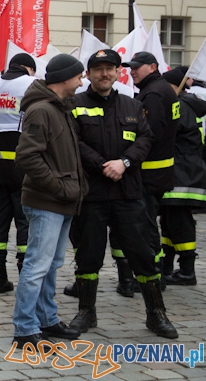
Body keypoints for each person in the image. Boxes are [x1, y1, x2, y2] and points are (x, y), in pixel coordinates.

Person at [67, 49, 177, 339]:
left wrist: (125, 162)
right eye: (99, 69)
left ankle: (157, 314)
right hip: (91, 193)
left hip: (127, 193)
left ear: (118, 73)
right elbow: (73, 142)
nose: (105, 74)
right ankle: (86, 312)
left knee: (142, 253)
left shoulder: (132, 104)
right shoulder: (74, 105)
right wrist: (102, 164)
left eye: (110, 69)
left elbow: (146, 138)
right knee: (88, 255)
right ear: (88, 74)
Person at [12, 54, 86, 348]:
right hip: (48, 200)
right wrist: (58, 186)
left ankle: (47, 318)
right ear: (65, 78)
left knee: (51, 264)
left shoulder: (61, 108)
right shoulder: (42, 110)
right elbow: (27, 156)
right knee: (37, 265)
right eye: (79, 76)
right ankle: (25, 326)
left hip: (61, 198)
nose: (82, 81)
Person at [0, 53, 36, 293]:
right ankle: (25, 277)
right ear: (28, 69)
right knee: (24, 220)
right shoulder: (31, 84)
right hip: (21, 159)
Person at [120, 52, 179, 291]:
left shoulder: (153, 94)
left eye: (137, 67)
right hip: (160, 169)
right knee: (148, 222)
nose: (132, 71)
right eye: (130, 67)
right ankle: (156, 271)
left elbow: (149, 133)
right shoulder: (161, 88)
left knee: (146, 225)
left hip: (150, 172)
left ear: (153, 67)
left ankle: (154, 274)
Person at [160, 67, 206, 286]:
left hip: (183, 173)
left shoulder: (181, 106)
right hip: (185, 171)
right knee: (170, 222)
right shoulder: (188, 105)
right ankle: (167, 267)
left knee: (180, 222)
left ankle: (187, 270)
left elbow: (168, 135)